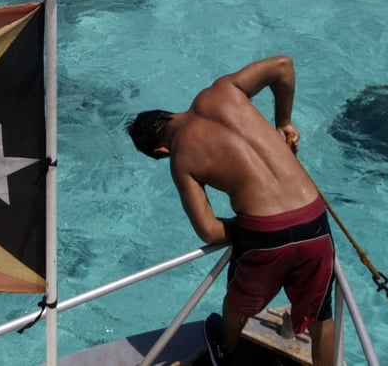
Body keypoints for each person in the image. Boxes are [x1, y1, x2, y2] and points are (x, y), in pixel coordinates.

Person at [125, 55, 335, 366]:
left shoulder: (180, 158)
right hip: (314, 218)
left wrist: (247, 228)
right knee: (322, 317)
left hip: (264, 235)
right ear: (168, 114)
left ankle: (228, 355)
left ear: (161, 150)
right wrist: (283, 122)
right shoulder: (223, 90)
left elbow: (208, 230)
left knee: (235, 305)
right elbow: (284, 66)